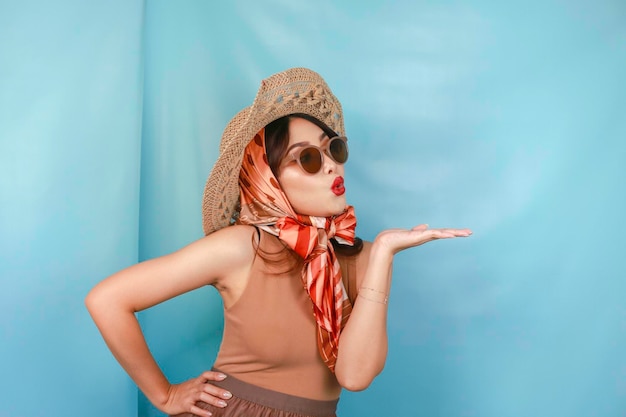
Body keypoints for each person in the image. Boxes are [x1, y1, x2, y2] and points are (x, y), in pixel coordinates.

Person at [85, 67, 472, 417]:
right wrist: (166, 396)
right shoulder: (242, 247)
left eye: (333, 148)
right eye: (307, 159)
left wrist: (385, 252)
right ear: (268, 181)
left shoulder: (363, 255)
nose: (332, 165)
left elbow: (354, 376)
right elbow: (107, 300)